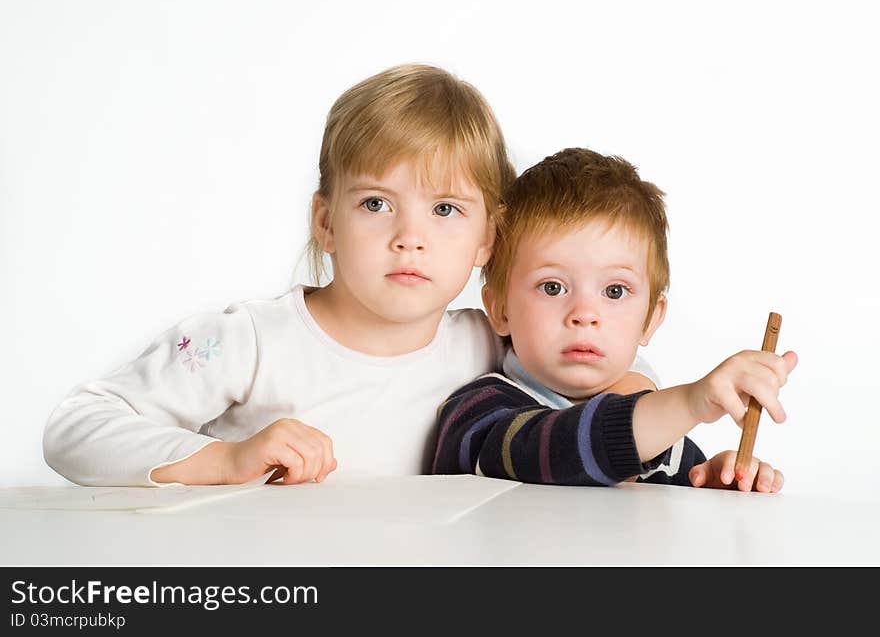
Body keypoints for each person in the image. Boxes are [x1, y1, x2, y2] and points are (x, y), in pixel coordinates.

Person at [43, 66, 658, 487]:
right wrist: (225, 459)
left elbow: (589, 364)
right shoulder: (251, 343)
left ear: (487, 239)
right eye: (375, 204)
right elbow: (76, 428)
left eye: (445, 210)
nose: (409, 237)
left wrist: (636, 381)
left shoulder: (488, 341)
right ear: (325, 222)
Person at [432, 148, 798, 492]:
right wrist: (689, 403)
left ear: (650, 321)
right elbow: (554, 450)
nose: (585, 315)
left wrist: (714, 485)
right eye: (553, 287)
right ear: (500, 310)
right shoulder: (478, 415)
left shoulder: (668, 444)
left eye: (615, 292)